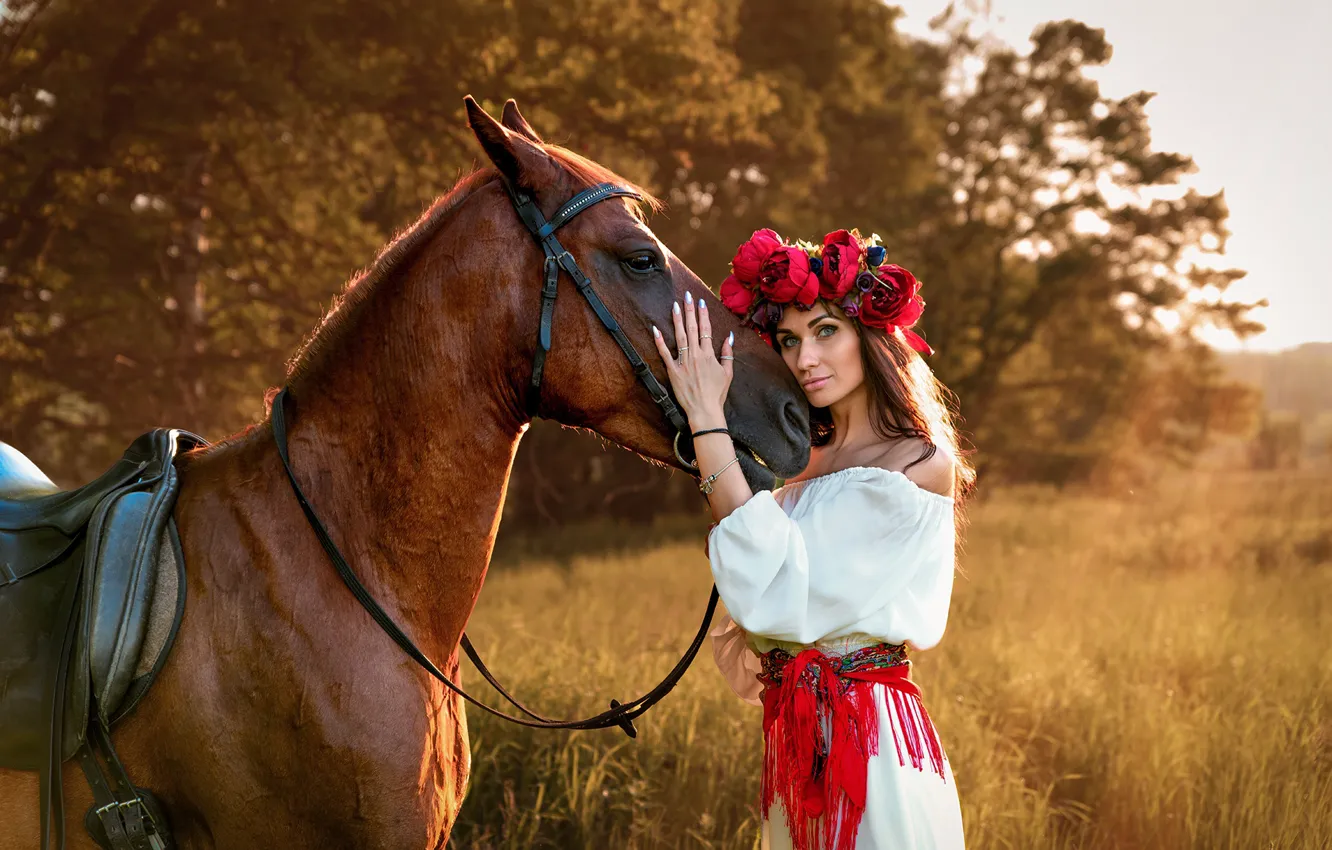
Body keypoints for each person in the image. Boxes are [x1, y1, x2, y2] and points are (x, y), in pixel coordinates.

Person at [650, 227, 973, 850]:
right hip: (796, 741)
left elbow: (785, 593)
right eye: (791, 340)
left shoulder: (917, 462)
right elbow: (761, 600)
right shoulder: (800, 460)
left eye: (827, 331)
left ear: (872, 336)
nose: (805, 359)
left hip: (871, 747)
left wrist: (707, 421)